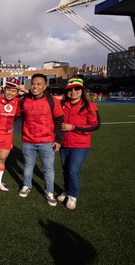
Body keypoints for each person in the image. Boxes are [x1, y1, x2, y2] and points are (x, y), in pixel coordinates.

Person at [18, 73, 64, 207]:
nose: (35, 86)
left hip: (47, 142)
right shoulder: (24, 100)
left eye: (39, 84)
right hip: (28, 141)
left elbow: (59, 120)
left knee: (48, 169)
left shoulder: (52, 101)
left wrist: (59, 140)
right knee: (28, 166)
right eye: (33, 84)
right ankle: (27, 185)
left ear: (45, 86)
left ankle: (49, 191)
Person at [58, 77, 101, 210]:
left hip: (80, 145)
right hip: (64, 144)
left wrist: (74, 127)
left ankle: (73, 195)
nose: (73, 92)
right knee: (65, 170)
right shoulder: (62, 105)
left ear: (82, 91)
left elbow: (96, 126)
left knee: (72, 170)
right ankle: (66, 190)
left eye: (77, 89)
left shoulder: (90, 106)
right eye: (70, 89)